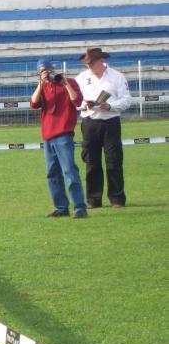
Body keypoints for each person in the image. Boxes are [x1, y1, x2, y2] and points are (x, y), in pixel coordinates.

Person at [75, 47, 132, 208]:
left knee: (114, 161)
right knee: (91, 162)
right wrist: (83, 105)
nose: (89, 67)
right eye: (87, 64)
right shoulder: (81, 78)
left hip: (110, 122)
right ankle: (93, 200)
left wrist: (110, 106)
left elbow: (127, 100)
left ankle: (117, 199)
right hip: (89, 122)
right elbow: (75, 101)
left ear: (101, 61)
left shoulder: (117, 77)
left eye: (91, 63)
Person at [30, 58, 87, 219]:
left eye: (48, 70)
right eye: (42, 71)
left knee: (69, 170)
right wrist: (41, 83)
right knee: (52, 173)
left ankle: (79, 207)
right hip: (47, 136)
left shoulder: (69, 82)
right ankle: (61, 207)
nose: (47, 73)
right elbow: (33, 104)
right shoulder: (43, 87)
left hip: (64, 134)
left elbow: (77, 101)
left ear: (54, 69)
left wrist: (65, 83)